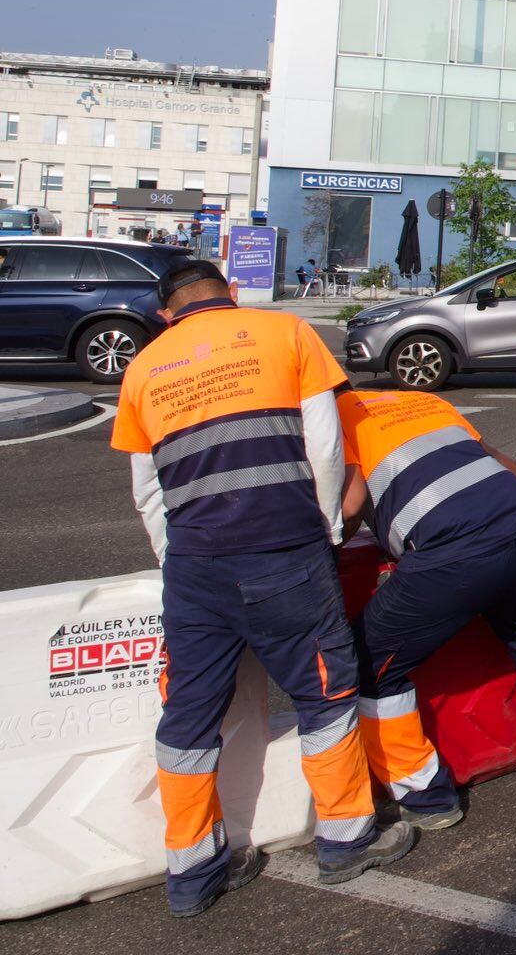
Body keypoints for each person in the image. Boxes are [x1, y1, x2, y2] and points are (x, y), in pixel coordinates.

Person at [109, 261, 414, 917]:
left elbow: (147, 493)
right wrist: (328, 524)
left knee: (189, 712)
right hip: (283, 550)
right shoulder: (285, 332)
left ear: (167, 314)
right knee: (324, 690)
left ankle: (191, 873)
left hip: (194, 567)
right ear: (232, 294)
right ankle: (345, 838)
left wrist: (183, 561)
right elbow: (325, 447)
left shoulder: (143, 368)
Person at [338, 388, 516, 828]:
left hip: (450, 559)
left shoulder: (330, 422)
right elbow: (494, 457)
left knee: (367, 661)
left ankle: (426, 796)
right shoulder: (420, 400)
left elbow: (348, 506)